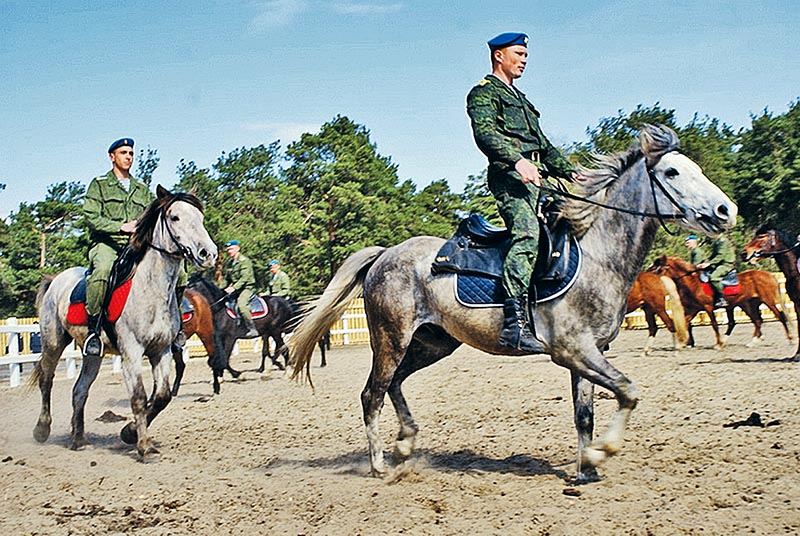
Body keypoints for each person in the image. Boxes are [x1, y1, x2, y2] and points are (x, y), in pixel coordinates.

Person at [466, 32, 577, 351]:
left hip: (539, 179)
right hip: (510, 179)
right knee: (527, 235)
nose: (524, 59)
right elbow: (485, 134)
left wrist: (572, 171)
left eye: (526, 55)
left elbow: (543, 146)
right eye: (519, 54)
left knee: (577, 222)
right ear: (499, 56)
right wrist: (517, 161)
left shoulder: (523, 101)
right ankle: (515, 324)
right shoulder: (484, 93)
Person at [82, 138, 154, 358]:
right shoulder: (99, 184)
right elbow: (91, 217)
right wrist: (120, 227)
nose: (128, 157)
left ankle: (174, 326)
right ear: (112, 156)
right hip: (106, 243)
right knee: (103, 270)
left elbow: (152, 216)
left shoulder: (141, 188)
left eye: (131, 153)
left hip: (135, 245)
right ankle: (93, 331)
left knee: (176, 272)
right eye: (123, 152)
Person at [221, 240, 259, 337]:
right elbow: (227, 279)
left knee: (241, 304)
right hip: (236, 289)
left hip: (247, 288)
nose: (229, 251)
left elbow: (244, 278)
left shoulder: (244, 261)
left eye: (231, 249)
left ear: (238, 249)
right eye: (228, 249)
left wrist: (233, 288)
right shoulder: (230, 262)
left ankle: (251, 327)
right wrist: (220, 289)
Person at [695, 234, 736, 309]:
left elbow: (720, 256)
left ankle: (721, 298)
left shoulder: (723, 241)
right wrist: (704, 263)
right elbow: (713, 256)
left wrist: (709, 263)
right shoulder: (716, 241)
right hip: (717, 264)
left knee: (714, 277)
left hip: (725, 264)